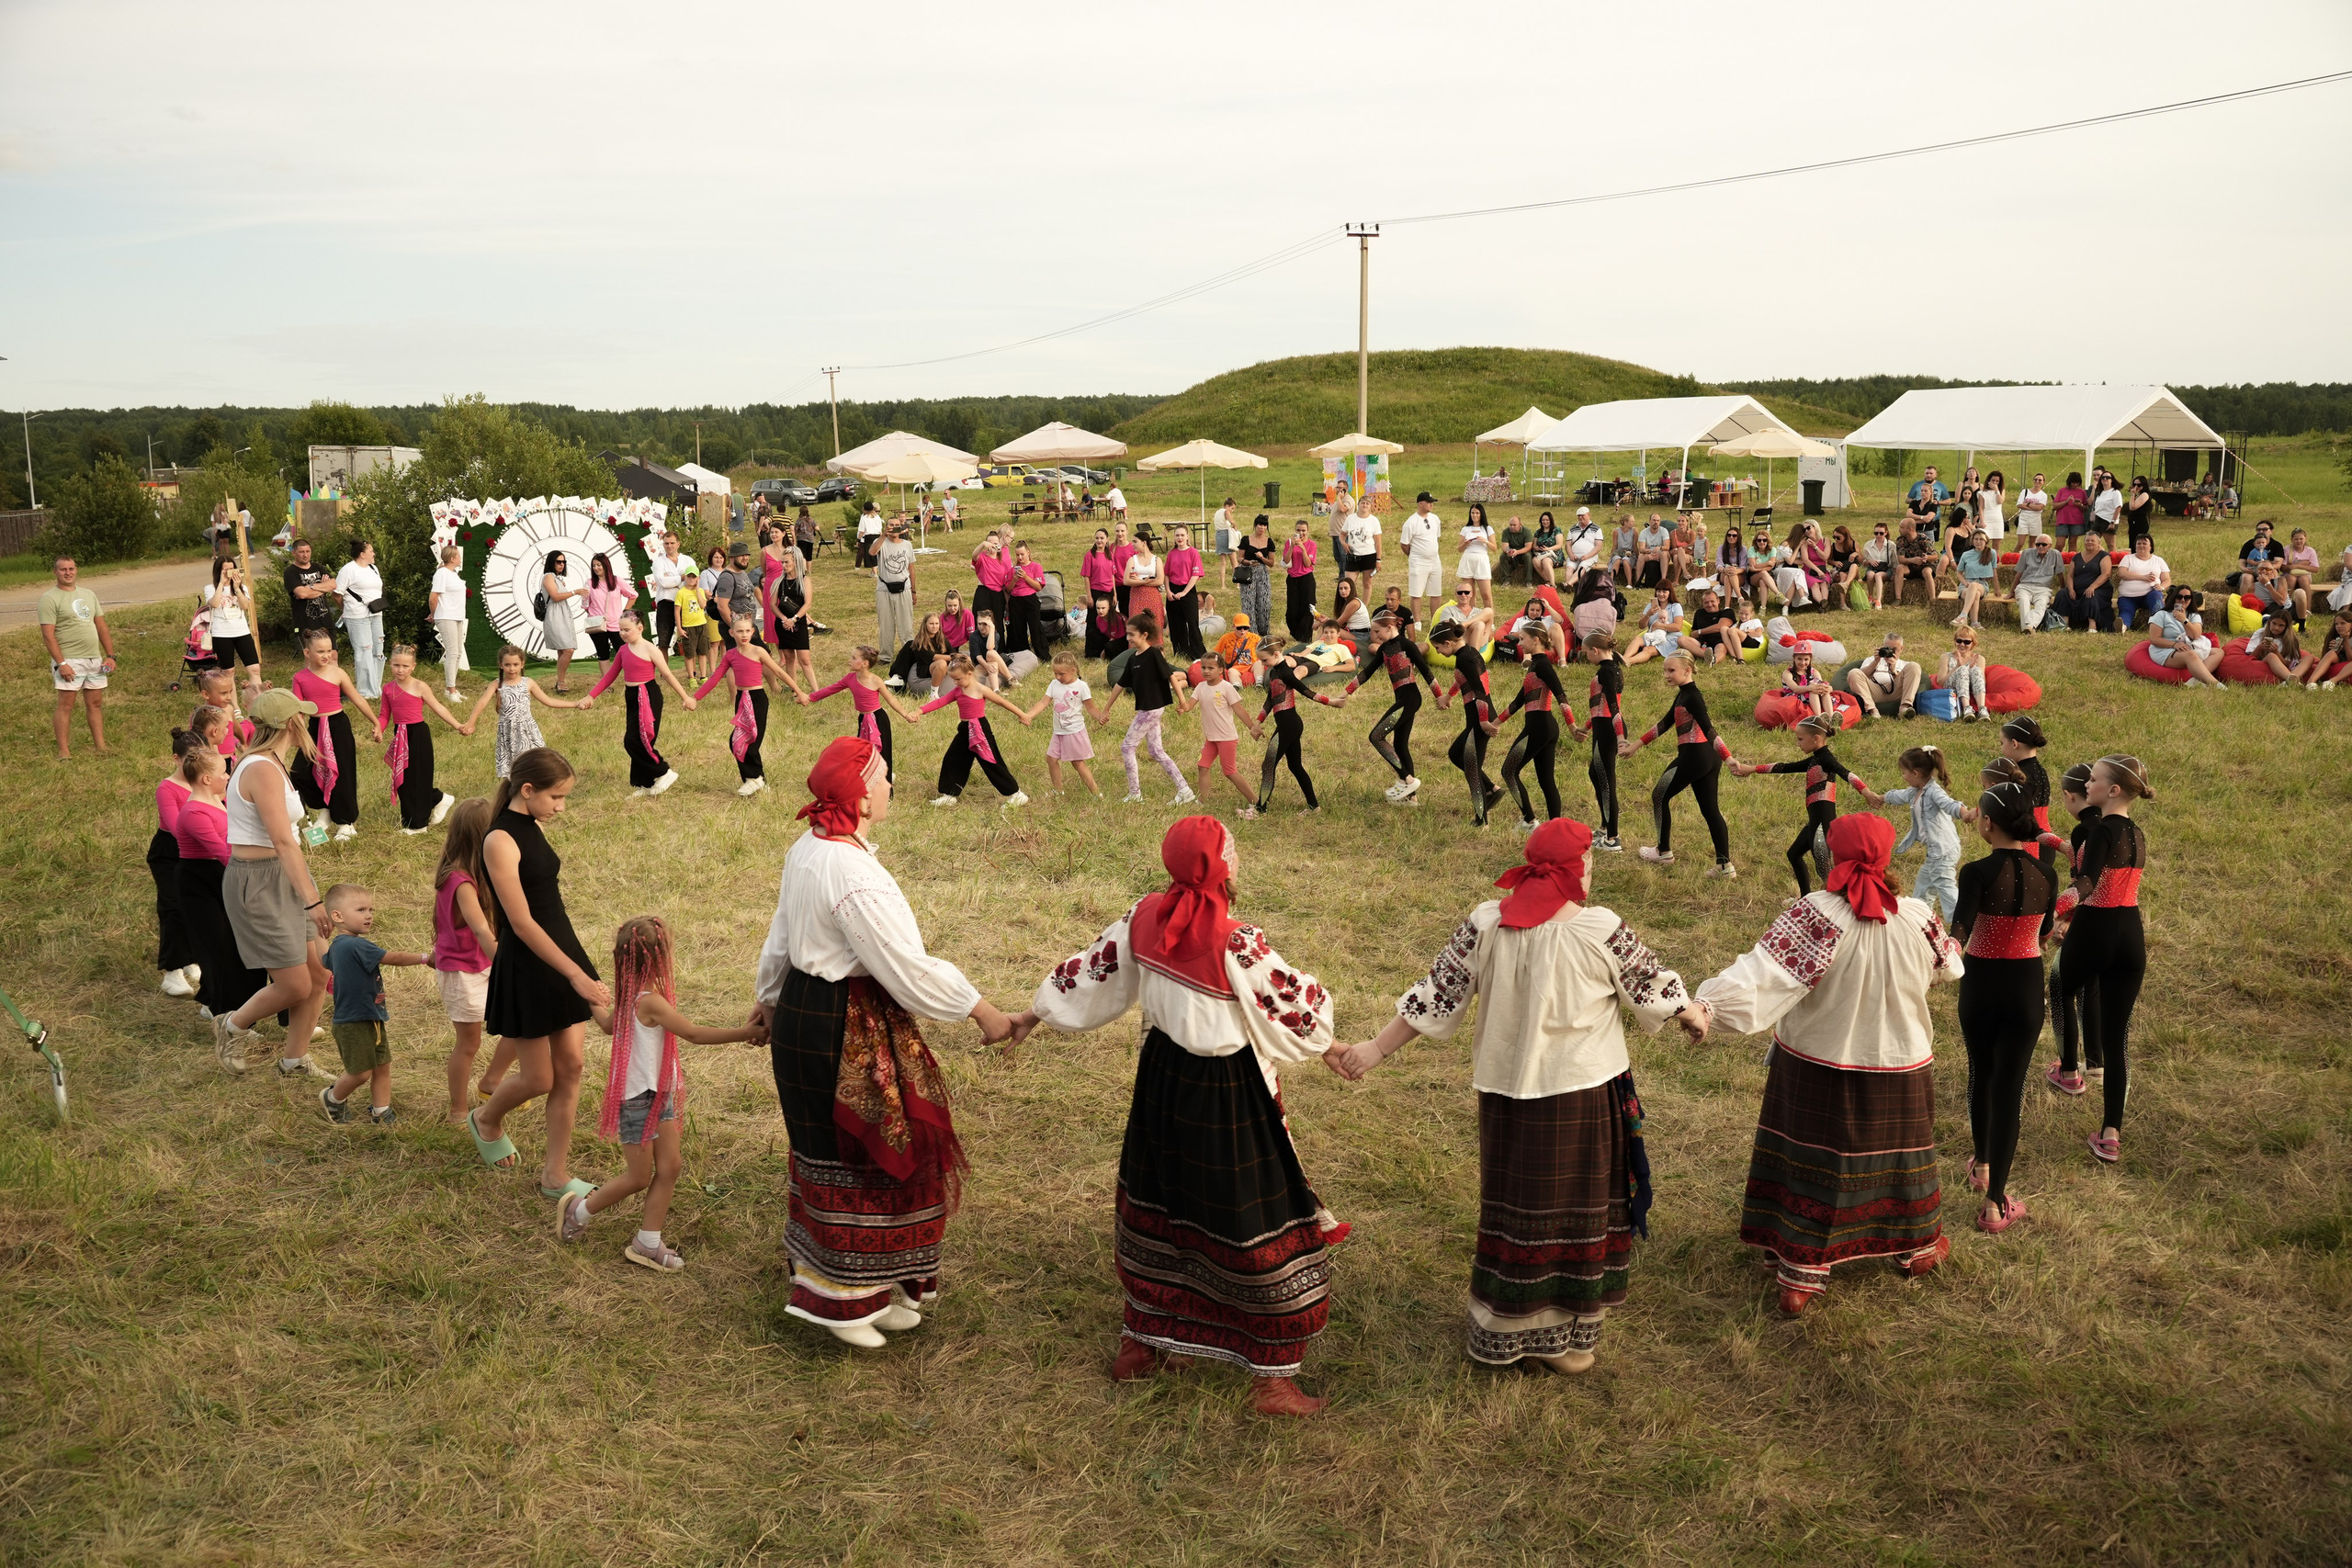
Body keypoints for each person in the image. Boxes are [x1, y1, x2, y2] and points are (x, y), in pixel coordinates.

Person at [1332, 818, 1701, 1371]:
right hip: (1581, 1097)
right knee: (1576, 1214)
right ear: (1578, 870)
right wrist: (1692, 1011)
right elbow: (1651, 985)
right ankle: (1567, 1338)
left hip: (1508, 1096)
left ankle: (1511, 1328)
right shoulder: (1600, 930)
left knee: (1518, 1211)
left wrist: (1374, 1050)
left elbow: (1437, 994)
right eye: (1590, 862)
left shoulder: (1486, 923)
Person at [1017, 817, 1340, 1416]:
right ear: (1217, 867)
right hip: (1224, 1094)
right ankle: (1271, 1380)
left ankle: (1143, 1342)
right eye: (1230, 849)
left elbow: (1091, 972)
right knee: (1253, 1222)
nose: (1237, 855)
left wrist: (1036, 1012)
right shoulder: (1236, 940)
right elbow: (1298, 1009)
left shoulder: (1146, 915)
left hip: (1163, 1079)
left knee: (1162, 1206)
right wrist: (1330, 1041)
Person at [752, 737, 1018, 1344]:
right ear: (861, 798)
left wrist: (770, 997)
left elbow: (778, 938)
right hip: (838, 1019)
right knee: (855, 1149)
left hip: (808, 1008)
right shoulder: (847, 872)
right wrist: (981, 1009)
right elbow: (905, 967)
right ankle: (841, 1298)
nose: (891, 785)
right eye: (884, 777)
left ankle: (882, 1284)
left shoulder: (812, 847)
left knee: (866, 1148)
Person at [1691, 815, 1961, 1314]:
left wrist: (1708, 1006)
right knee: (1900, 1161)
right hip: (1900, 1064)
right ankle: (1915, 1248)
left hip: (1822, 1063)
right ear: (1886, 856)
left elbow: (1765, 972)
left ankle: (1802, 1273)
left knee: (1817, 1167)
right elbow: (1949, 966)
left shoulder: (1818, 914)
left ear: (1833, 856)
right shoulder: (1917, 915)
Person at [558, 916, 759, 1271]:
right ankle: (579, 1209)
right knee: (637, 1177)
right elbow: (693, 1034)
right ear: (660, 956)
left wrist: (595, 1000)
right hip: (638, 1098)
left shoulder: (632, 995)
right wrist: (746, 1033)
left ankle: (647, 1242)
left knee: (670, 1166)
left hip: (660, 1091)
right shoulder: (649, 1001)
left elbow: (607, 1026)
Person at [467, 747, 614, 1203]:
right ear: (527, 790)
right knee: (539, 1078)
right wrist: (575, 976)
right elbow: (523, 921)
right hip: (529, 964)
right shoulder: (499, 839)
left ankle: (555, 1174)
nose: (561, 807)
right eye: (556, 797)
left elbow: (550, 908)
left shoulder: (530, 826)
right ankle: (486, 1118)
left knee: (570, 1067)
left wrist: (577, 965)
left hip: (560, 950)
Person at [211, 688, 335, 1079]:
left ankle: (294, 1060)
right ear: (290, 723)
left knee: (319, 973)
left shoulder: (274, 763)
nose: (309, 721)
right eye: (303, 715)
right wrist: (314, 901)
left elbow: (289, 841)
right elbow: (282, 840)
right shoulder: (261, 768)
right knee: (296, 985)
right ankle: (231, 1026)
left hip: (284, 874)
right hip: (259, 881)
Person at [1951, 780, 2055, 1234]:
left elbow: (1962, 925)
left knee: (1981, 1071)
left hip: (1981, 983)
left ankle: (1982, 1165)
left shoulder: (1975, 871)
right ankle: (1995, 1205)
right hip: (2025, 987)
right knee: (2009, 1090)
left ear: (1987, 823)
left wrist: (1947, 943)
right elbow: (2046, 930)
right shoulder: (2046, 875)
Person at [2054, 756, 2153, 1167]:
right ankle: (2111, 1132)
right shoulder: (2138, 832)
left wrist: (2056, 912)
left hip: (2095, 928)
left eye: (2093, 779)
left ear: (2113, 791)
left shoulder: (2102, 831)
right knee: (2119, 1039)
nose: (2088, 784)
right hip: (2130, 935)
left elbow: (2088, 882)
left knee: (2059, 987)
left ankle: (2069, 1070)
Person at [317, 883, 425, 1125]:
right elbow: (393, 958)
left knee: (382, 1064)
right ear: (338, 916)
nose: (369, 915)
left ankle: (380, 1109)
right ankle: (333, 1097)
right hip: (353, 1021)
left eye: (371, 910)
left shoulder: (337, 946)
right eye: (361, 910)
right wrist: (426, 958)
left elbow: (322, 960)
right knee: (361, 1072)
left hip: (371, 1016)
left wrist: (316, 934)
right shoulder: (356, 945)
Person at [1622, 651, 1734, 875]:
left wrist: (1728, 757)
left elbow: (1709, 729)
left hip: (1695, 756)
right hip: (1705, 759)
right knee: (1711, 810)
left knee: (1659, 795)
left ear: (1687, 670)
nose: (1666, 675)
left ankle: (1663, 852)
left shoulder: (1693, 697)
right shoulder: (1684, 694)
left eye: (1671, 670)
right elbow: (1664, 723)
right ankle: (1724, 865)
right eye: (1665, 670)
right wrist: (1636, 745)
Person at [1732, 713, 1867, 897]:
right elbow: (1784, 767)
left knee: (1826, 874)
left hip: (1821, 826)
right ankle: (1806, 899)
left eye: (1801, 739)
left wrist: (1866, 791)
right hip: (1815, 823)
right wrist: (1752, 769)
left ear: (1816, 738)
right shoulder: (1815, 759)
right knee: (1794, 854)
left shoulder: (1826, 759)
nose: (1798, 743)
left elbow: (1846, 773)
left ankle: (1848, 903)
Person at [430, 797, 502, 1125]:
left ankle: (492, 1082)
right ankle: (458, 1108)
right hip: (463, 972)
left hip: (484, 964)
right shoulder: (460, 880)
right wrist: (507, 964)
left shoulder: (481, 872)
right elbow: (481, 929)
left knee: (523, 1028)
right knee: (469, 1042)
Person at [583, 610, 697, 798]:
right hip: (631, 695)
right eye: (620, 630)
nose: (622, 633)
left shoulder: (650, 649)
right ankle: (644, 784)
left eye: (626, 630)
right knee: (637, 739)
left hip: (648, 695)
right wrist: (591, 696)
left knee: (635, 741)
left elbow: (667, 675)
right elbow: (610, 676)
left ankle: (663, 771)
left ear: (640, 628)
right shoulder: (622, 650)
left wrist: (685, 697)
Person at [695, 615, 806, 796]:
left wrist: (799, 691)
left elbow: (778, 671)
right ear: (731, 633)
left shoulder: (758, 651)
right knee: (736, 742)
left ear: (753, 632)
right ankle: (753, 780)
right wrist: (695, 698)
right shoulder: (730, 655)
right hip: (741, 699)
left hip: (757, 699)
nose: (744, 634)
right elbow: (715, 678)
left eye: (747, 631)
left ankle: (756, 779)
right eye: (739, 631)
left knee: (751, 742)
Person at [1858, 745, 1969, 920]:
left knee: (1945, 886)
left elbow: (1949, 804)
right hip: (1935, 852)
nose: (1903, 777)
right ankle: (1919, 920)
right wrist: (1882, 798)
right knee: (1923, 886)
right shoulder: (1915, 791)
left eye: (1904, 772)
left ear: (1915, 773)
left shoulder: (1934, 792)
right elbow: (1898, 796)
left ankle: (1960, 923)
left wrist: (1964, 812)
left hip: (1943, 850)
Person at [1332, 612, 1434, 804]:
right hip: (1403, 700)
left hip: (1410, 699)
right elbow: (1366, 674)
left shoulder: (1406, 645)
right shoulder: (1384, 649)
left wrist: (1441, 697)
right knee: (1400, 745)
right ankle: (1411, 799)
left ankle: (1408, 780)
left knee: (1376, 736)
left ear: (1390, 627)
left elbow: (1425, 670)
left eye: (1378, 631)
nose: (1375, 635)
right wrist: (1345, 693)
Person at [1097, 612, 1196, 807]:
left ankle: (1135, 793)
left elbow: (1171, 677)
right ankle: (1185, 791)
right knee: (1157, 751)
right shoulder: (1133, 659)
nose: (1128, 638)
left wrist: (1183, 702)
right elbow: (1120, 685)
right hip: (1147, 709)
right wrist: (1106, 709)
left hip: (1151, 710)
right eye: (1127, 634)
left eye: (1132, 634)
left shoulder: (1154, 655)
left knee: (1127, 747)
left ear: (1144, 635)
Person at [289, 628, 371, 843]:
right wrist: (296, 733)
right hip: (315, 727)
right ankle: (325, 809)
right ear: (307, 653)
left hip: (337, 725)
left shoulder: (338, 673)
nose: (326, 655)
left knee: (342, 773)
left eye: (329, 650)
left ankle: (346, 822)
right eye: (320, 652)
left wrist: (376, 723)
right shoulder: (300, 678)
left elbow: (358, 699)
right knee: (299, 772)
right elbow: (298, 710)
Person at [376, 645, 467, 834]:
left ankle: (418, 825)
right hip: (400, 734)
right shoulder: (387, 689)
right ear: (390, 664)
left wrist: (457, 725)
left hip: (417, 734)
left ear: (413, 667)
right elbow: (384, 715)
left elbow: (439, 708)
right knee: (405, 780)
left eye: (405, 666)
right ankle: (437, 799)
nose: (400, 670)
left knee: (418, 777)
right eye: (396, 665)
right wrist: (379, 729)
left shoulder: (420, 686)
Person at [922, 654, 1031, 807]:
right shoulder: (958, 690)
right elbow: (941, 701)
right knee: (953, 759)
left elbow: (1002, 702)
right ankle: (950, 794)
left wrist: (1022, 715)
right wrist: (920, 711)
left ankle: (1016, 794)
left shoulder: (981, 689)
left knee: (991, 762)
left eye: (958, 679)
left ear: (969, 674)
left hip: (979, 729)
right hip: (965, 730)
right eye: (953, 679)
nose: (955, 682)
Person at [465, 644, 586, 781]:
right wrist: (471, 722)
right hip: (508, 733)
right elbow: (481, 703)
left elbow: (549, 701)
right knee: (511, 770)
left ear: (522, 664)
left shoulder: (528, 683)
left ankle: (536, 788)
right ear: (501, 665)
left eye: (515, 664)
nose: (512, 668)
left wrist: (575, 704)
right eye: (507, 665)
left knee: (535, 763)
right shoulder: (496, 684)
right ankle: (511, 793)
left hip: (527, 731)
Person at [1497, 625, 1574, 829]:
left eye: (1522, 639)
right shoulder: (1535, 665)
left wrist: (1572, 726)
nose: (1520, 643)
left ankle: (1529, 820)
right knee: (1546, 780)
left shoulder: (1543, 666)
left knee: (1508, 771)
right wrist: (1494, 724)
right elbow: (1518, 701)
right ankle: (1555, 828)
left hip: (1539, 728)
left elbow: (1561, 695)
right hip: (1544, 728)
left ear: (1536, 640)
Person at [39, 558, 117, 760]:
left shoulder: (88, 595)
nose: (67, 572)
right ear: (55, 572)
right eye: (62, 569)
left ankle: (100, 746)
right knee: (66, 705)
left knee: (95, 703)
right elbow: (48, 635)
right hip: (69, 660)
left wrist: (110, 655)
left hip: (94, 659)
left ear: (76, 570)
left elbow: (101, 626)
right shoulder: (49, 599)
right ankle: (64, 751)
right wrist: (61, 663)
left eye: (71, 568)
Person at [1430, 618, 1504, 828]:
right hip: (1479, 717)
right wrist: (1450, 696)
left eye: (1437, 647)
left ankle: (1482, 821)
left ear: (1448, 643)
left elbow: (1479, 690)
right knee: (1456, 754)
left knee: (1472, 768)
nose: (1436, 652)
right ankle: (1492, 789)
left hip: (1481, 718)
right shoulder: (1467, 653)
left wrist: (1483, 722)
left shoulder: (1465, 658)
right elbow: (1465, 679)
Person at [150, 728, 207, 1000]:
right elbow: (175, 827)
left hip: (200, 850)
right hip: (171, 852)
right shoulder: (167, 789)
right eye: (192, 758)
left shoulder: (206, 783)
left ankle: (192, 958)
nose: (198, 764)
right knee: (173, 906)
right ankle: (172, 971)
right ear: (176, 758)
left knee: (197, 906)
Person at [1250, 635, 1330, 812]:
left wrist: (1330, 701)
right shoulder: (1274, 672)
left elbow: (1306, 691)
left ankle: (1260, 809)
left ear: (1277, 654)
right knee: (1295, 766)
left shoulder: (1286, 672)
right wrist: (1257, 722)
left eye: (1265, 660)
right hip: (1289, 725)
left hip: (1289, 725)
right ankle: (1313, 807)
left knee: (1268, 764)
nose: (1263, 664)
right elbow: (1270, 699)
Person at [1186, 651, 1260, 816]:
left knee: (1230, 772)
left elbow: (1239, 709)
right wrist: (1183, 707)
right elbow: (1190, 704)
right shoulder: (1200, 687)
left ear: (1221, 670)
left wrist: (1252, 727)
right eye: (1203, 667)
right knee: (1202, 766)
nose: (1206, 671)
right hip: (1211, 738)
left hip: (1226, 738)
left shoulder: (1226, 687)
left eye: (1210, 668)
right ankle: (1202, 801)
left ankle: (1256, 802)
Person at [1030, 649, 1102, 796]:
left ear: (1073, 671)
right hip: (1059, 732)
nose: (1058, 677)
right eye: (1055, 673)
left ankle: (1096, 794)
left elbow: (1091, 707)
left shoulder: (1081, 687)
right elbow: (1043, 703)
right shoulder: (1054, 684)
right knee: (1051, 759)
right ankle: (1058, 790)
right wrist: (1028, 715)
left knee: (1077, 763)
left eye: (1061, 674)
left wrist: (1099, 717)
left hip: (1073, 732)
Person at [334, 540, 387, 699]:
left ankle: (376, 688)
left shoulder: (373, 568)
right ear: (362, 554)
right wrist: (346, 608)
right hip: (357, 616)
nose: (374, 553)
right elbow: (336, 594)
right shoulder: (348, 570)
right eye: (371, 551)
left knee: (378, 649)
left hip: (376, 613)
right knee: (364, 651)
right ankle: (364, 691)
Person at [2144, 586, 2227, 689]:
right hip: (2165, 649)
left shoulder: (2193, 616)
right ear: (2173, 598)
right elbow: (2154, 639)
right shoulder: (2161, 615)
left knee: (2218, 652)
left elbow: (2195, 635)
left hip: (2188, 646)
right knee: (2190, 655)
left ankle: (2195, 680)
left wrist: (2184, 620)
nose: (2183, 600)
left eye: (2187, 597)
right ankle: (2216, 686)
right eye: (2179, 597)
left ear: (2191, 600)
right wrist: (2174, 644)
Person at [206, 557, 263, 692]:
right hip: (221, 633)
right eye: (226, 570)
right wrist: (221, 584)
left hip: (242, 631)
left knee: (255, 669)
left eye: (232, 569)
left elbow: (245, 606)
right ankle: (234, 708)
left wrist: (237, 588)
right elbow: (214, 603)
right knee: (229, 672)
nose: (229, 573)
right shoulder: (210, 588)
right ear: (218, 571)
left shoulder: (242, 587)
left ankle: (258, 702)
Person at [536, 550, 585, 694]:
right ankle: (561, 682)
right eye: (558, 561)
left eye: (564, 562)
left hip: (562, 614)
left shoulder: (555, 578)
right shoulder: (548, 576)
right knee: (568, 649)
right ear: (552, 562)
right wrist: (574, 592)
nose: (562, 564)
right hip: (555, 615)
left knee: (563, 650)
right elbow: (556, 597)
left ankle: (560, 681)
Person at [424, 546, 469, 697]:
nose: (460, 558)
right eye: (458, 556)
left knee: (458, 652)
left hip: (456, 616)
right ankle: (451, 690)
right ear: (452, 558)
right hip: (446, 616)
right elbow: (433, 597)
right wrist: (433, 614)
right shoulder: (442, 573)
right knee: (452, 652)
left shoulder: (453, 574)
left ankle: (452, 688)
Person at [282, 538, 338, 654]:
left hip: (325, 620)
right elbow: (301, 594)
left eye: (308, 551)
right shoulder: (290, 572)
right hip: (305, 623)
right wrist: (323, 587)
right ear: (293, 553)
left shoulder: (318, 567)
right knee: (312, 657)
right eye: (301, 552)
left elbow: (333, 584)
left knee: (333, 655)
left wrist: (310, 587)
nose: (305, 555)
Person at [1846, 635, 1921, 720]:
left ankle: (1904, 708)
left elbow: (1908, 683)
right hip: (1873, 691)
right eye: (1887, 648)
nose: (1890, 652)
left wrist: (1893, 671)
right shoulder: (1871, 660)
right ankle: (1872, 711)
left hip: (1896, 691)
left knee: (1914, 666)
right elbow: (1859, 677)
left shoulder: (1904, 664)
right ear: (1882, 646)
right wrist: (1875, 662)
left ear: (1901, 648)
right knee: (1853, 672)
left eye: (1893, 650)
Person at [870, 521, 917, 656]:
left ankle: (909, 654)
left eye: (897, 524)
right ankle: (885, 655)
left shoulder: (907, 545)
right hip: (884, 589)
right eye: (891, 524)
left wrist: (913, 591)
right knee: (886, 625)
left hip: (905, 588)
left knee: (906, 625)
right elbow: (872, 552)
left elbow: (911, 569)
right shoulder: (881, 542)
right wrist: (883, 536)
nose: (894, 527)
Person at [1397, 495, 1443, 626]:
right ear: (1421, 503)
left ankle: (1434, 620)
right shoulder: (1411, 522)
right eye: (1429, 503)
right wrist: (1414, 556)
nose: (1431, 505)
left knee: (1436, 591)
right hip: (1418, 561)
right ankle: (1417, 621)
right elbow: (1404, 544)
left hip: (1435, 560)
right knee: (1416, 592)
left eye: (1432, 503)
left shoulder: (1435, 519)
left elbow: (1436, 538)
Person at [580, 554, 631, 668]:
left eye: (599, 565)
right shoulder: (589, 583)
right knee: (603, 654)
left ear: (605, 565)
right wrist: (595, 615)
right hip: (597, 625)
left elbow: (633, 595)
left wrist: (625, 611)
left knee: (624, 652)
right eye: (594, 566)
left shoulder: (617, 581)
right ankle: (607, 684)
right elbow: (585, 605)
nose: (596, 568)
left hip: (616, 624)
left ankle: (632, 680)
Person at [2113, 534, 2169, 631]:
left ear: (2150, 546)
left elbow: (2167, 579)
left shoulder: (2158, 560)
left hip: (2149, 594)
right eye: (2139, 543)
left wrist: (2162, 587)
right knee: (2126, 611)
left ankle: (2161, 626)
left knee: (2157, 599)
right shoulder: (2128, 558)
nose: (2141, 545)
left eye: (2144, 543)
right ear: (2135, 546)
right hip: (2128, 596)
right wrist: (2143, 577)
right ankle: (2123, 627)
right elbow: (2122, 573)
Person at [1235, 515, 1277, 639]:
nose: (1262, 528)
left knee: (1264, 602)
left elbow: (1272, 563)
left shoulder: (1269, 542)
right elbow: (1240, 558)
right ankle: (1251, 631)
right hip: (1247, 573)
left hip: (1262, 573)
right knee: (1248, 602)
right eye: (1260, 525)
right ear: (1255, 526)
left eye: (1264, 525)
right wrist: (1249, 562)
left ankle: (1264, 630)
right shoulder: (1246, 539)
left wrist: (1262, 558)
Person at [1282, 519, 1320, 643]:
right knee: (1292, 608)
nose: (1301, 533)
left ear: (1308, 531)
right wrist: (1292, 547)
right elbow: (1286, 561)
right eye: (1298, 530)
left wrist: (1303, 548)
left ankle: (1305, 636)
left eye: (1303, 530)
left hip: (1306, 578)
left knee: (1308, 607)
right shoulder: (1289, 543)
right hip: (1293, 578)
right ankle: (1295, 632)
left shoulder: (1312, 545)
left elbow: (1308, 563)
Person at [2012, 534, 2062, 632]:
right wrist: (2011, 591)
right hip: (2024, 586)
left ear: (2050, 545)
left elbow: (2060, 574)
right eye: (2038, 544)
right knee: (2023, 602)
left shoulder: (2056, 554)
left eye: (2044, 544)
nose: (2040, 547)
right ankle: (2028, 628)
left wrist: (2064, 590)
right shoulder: (2026, 553)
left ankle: (2029, 627)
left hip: (2043, 588)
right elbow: (2019, 574)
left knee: (2042, 604)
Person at [1940, 626, 1990, 721]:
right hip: (1952, 685)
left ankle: (1982, 709)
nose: (1962, 644)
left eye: (1967, 642)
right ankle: (1967, 708)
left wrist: (1970, 668)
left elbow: (1983, 682)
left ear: (1973, 644)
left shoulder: (1979, 659)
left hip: (1972, 686)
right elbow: (1940, 682)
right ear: (1955, 641)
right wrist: (1957, 667)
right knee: (1962, 669)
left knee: (1976, 670)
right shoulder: (1946, 657)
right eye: (1959, 641)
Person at [1124, 525, 1167, 630]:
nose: (1132, 544)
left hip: (1152, 595)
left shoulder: (1157, 560)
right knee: (1137, 625)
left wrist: (1139, 581)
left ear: (1144, 543)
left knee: (1154, 624)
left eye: (1135, 541)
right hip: (1136, 596)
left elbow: (1160, 580)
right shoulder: (1132, 559)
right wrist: (1145, 581)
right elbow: (1126, 580)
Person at [1344, 494, 1387, 597]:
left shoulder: (1374, 521)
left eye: (1367, 503)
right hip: (1353, 555)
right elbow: (1342, 534)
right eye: (1363, 503)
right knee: (1349, 583)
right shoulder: (1350, 518)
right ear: (1358, 504)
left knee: (1367, 583)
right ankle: (1350, 604)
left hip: (1369, 555)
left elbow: (1378, 542)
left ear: (1370, 506)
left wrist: (1378, 560)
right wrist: (1343, 543)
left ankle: (1363, 607)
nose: (1365, 505)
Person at [1905, 465, 1951, 541]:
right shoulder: (1917, 485)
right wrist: (1917, 502)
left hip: (1934, 520)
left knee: (1932, 543)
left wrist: (1938, 502)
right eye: (1927, 473)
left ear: (1935, 475)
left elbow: (1948, 501)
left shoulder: (1941, 486)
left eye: (1931, 473)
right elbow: (1908, 500)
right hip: (1916, 521)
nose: (1928, 475)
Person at [2121, 475, 2155, 547]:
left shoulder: (2144, 495)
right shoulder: (2139, 495)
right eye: (2134, 485)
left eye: (2139, 485)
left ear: (2144, 485)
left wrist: (2132, 494)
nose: (2136, 487)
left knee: (2136, 545)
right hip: (2134, 523)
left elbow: (2132, 507)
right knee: (2132, 544)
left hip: (2140, 523)